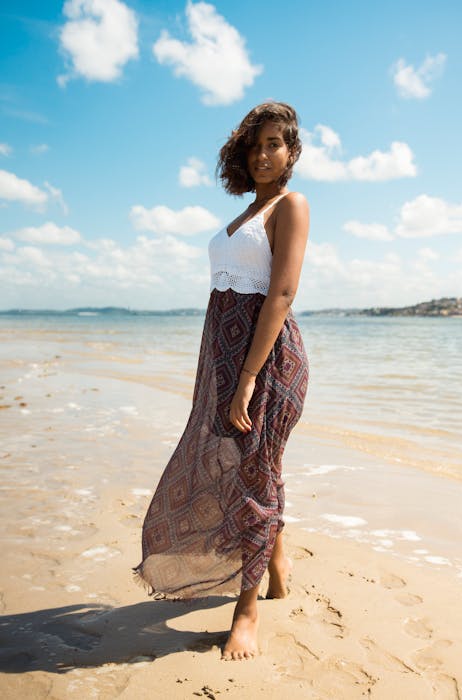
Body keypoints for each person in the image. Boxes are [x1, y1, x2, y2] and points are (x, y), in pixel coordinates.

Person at [133, 101, 309, 660]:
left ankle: (247, 611)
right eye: (255, 144)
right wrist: (222, 374)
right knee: (248, 469)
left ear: (292, 152)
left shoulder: (291, 205)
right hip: (226, 362)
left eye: (274, 144)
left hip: (269, 364)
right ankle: (276, 563)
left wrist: (250, 378)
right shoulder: (243, 214)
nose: (263, 153)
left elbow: (280, 294)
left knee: (253, 476)